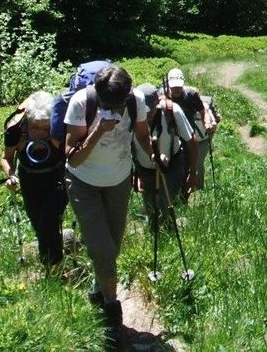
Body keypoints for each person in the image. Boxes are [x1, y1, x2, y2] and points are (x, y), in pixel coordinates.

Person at [64, 64, 151, 347]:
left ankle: (99, 287)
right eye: (107, 103)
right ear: (98, 95)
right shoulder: (81, 103)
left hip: (119, 179)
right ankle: (112, 311)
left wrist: (155, 159)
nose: (112, 108)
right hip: (83, 182)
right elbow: (72, 159)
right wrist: (98, 130)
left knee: (113, 246)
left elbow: (141, 134)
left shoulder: (136, 101)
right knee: (103, 250)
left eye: (117, 103)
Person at [1, 90, 68, 273]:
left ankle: (54, 270)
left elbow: (70, 153)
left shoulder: (60, 127)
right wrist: (11, 176)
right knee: (38, 223)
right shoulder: (15, 130)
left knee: (49, 222)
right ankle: (54, 261)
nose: (39, 133)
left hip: (57, 177)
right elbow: (6, 158)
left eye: (45, 128)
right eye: (35, 127)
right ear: (27, 123)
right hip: (29, 178)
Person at [131, 83, 196, 223]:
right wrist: (136, 174)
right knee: (151, 209)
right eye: (143, 110)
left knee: (162, 205)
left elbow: (191, 141)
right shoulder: (130, 116)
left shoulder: (172, 111)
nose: (147, 114)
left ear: (157, 101)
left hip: (172, 165)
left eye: (150, 109)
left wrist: (192, 171)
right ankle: (157, 231)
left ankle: (167, 231)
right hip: (145, 169)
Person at [166, 67, 218, 193]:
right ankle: (172, 193)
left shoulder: (191, 95)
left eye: (179, 86)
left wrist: (206, 122)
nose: (177, 89)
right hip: (169, 135)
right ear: (168, 85)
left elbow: (202, 110)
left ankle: (186, 192)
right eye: (173, 87)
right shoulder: (162, 96)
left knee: (189, 164)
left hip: (188, 134)